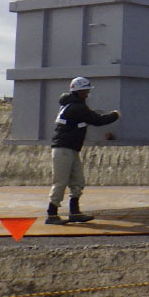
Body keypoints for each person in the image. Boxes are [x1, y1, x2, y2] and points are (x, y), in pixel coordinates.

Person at [46, 77, 120, 225]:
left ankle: (75, 212)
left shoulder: (71, 105)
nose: (87, 93)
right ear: (78, 91)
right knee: (60, 182)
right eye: (85, 91)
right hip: (64, 149)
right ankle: (52, 214)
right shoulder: (77, 107)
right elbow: (98, 120)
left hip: (69, 149)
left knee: (77, 181)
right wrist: (115, 115)